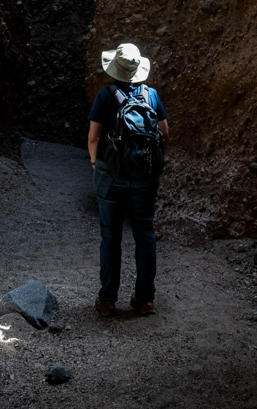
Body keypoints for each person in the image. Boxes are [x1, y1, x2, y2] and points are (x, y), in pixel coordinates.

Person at [88, 42, 169, 317]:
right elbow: (164, 135)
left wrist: (95, 162)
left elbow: (94, 138)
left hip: (110, 177)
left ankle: (108, 300)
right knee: (144, 234)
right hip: (144, 178)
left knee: (110, 237)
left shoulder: (104, 96)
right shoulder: (151, 95)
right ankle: (145, 299)